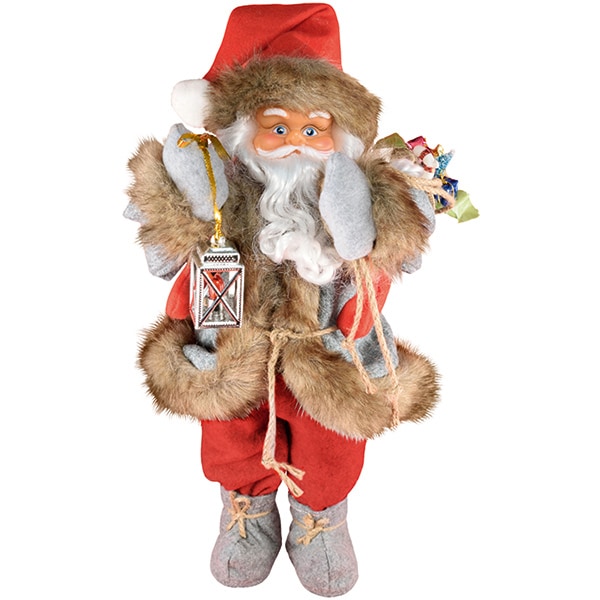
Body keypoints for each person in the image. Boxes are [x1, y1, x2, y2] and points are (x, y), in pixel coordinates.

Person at [124, 4, 442, 596]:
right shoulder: (219, 191)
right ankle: (246, 509)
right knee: (230, 427)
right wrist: (181, 206)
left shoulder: (359, 190)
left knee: (330, 437)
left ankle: (322, 518)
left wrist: (384, 216)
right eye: (277, 127)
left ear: (339, 137)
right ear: (244, 135)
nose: (296, 143)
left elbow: (393, 255)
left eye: (314, 129)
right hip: (232, 344)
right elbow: (168, 258)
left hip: (328, 348)